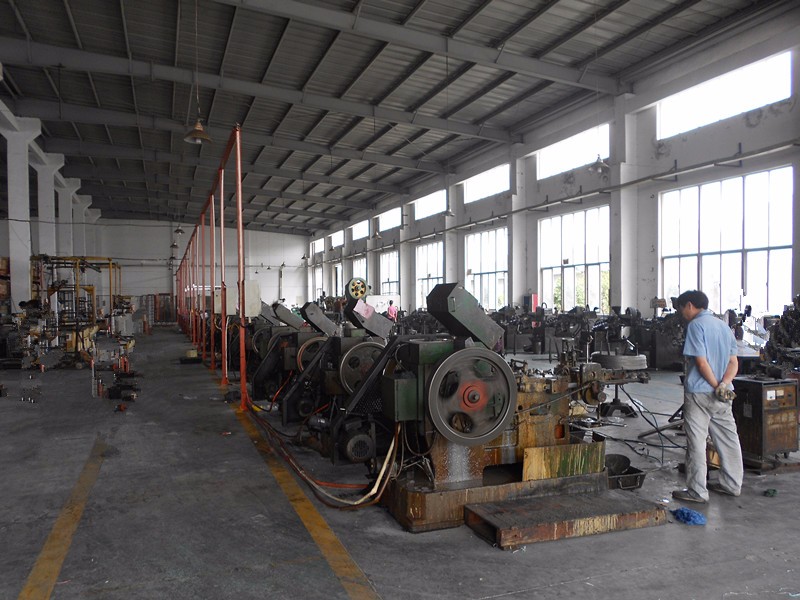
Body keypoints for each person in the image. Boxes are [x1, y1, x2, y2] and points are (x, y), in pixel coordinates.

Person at [672, 290, 743, 504]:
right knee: (728, 438)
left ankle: (697, 491)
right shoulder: (724, 326)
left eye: (682, 308)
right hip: (723, 395)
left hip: (700, 393)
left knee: (696, 441)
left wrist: (714, 385)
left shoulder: (696, 326)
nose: (682, 313)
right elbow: (734, 362)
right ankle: (732, 484)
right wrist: (723, 385)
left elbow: (701, 363)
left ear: (690, 305)